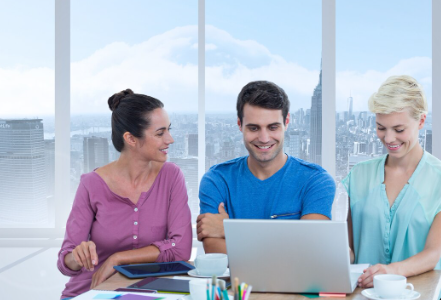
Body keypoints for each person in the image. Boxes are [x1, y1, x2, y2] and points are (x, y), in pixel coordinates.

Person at [57, 89, 192, 299]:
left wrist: (117, 258)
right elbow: (65, 262)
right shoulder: (91, 185)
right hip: (90, 291)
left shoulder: (171, 177)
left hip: (148, 293)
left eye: (169, 130)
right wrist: (77, 255)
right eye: (160, 133)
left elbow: (180, 248)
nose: (170, 139)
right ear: (130, 138)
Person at [197, 80, 336, 253]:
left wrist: (230, 231)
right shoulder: (217, 180)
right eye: (254, 128)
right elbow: (215, 252)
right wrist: (286, 240)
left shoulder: (316, 181)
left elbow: (309, 249)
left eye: (272, 127)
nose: (264, 138)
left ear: (287, 122)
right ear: (240, 125)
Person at [343, 75, 441, 288]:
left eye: (399, 130)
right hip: (363, 294)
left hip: (419, 294)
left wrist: (391, 271)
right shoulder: (357, 176)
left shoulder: (438, 180)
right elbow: (346, 249)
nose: (388, 139)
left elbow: (434, 253)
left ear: (421, 121)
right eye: (381, 127)